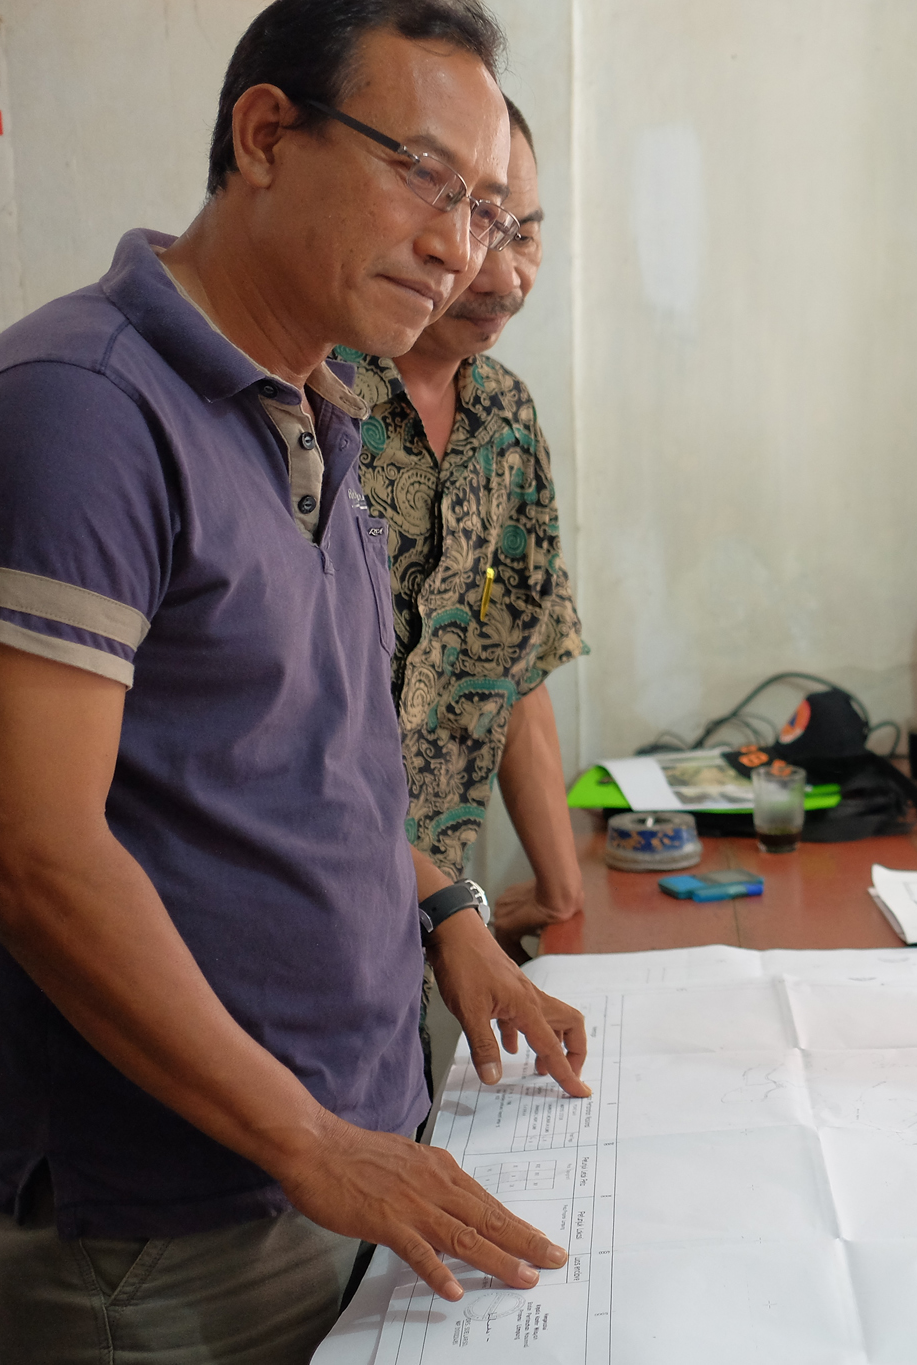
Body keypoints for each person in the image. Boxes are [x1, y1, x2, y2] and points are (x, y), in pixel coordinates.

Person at [0, 3, 591, 1360]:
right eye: (423, 176)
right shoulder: (83, 406)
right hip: (175, 1216)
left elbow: (327, 763)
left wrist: (454, 917)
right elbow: (31, 848)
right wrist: (310, 1140)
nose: (458, 245)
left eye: (490, 211)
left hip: (345, 1154)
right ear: (266, 136)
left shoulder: (316, 415)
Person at [343, 95, 586, 954]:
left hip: (424, 926)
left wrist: (559, 889)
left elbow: (516, 664)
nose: (504, 275)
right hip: (302, 897)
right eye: (482, 228)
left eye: (523, 233)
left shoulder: (506, 417)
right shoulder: (317, 396)